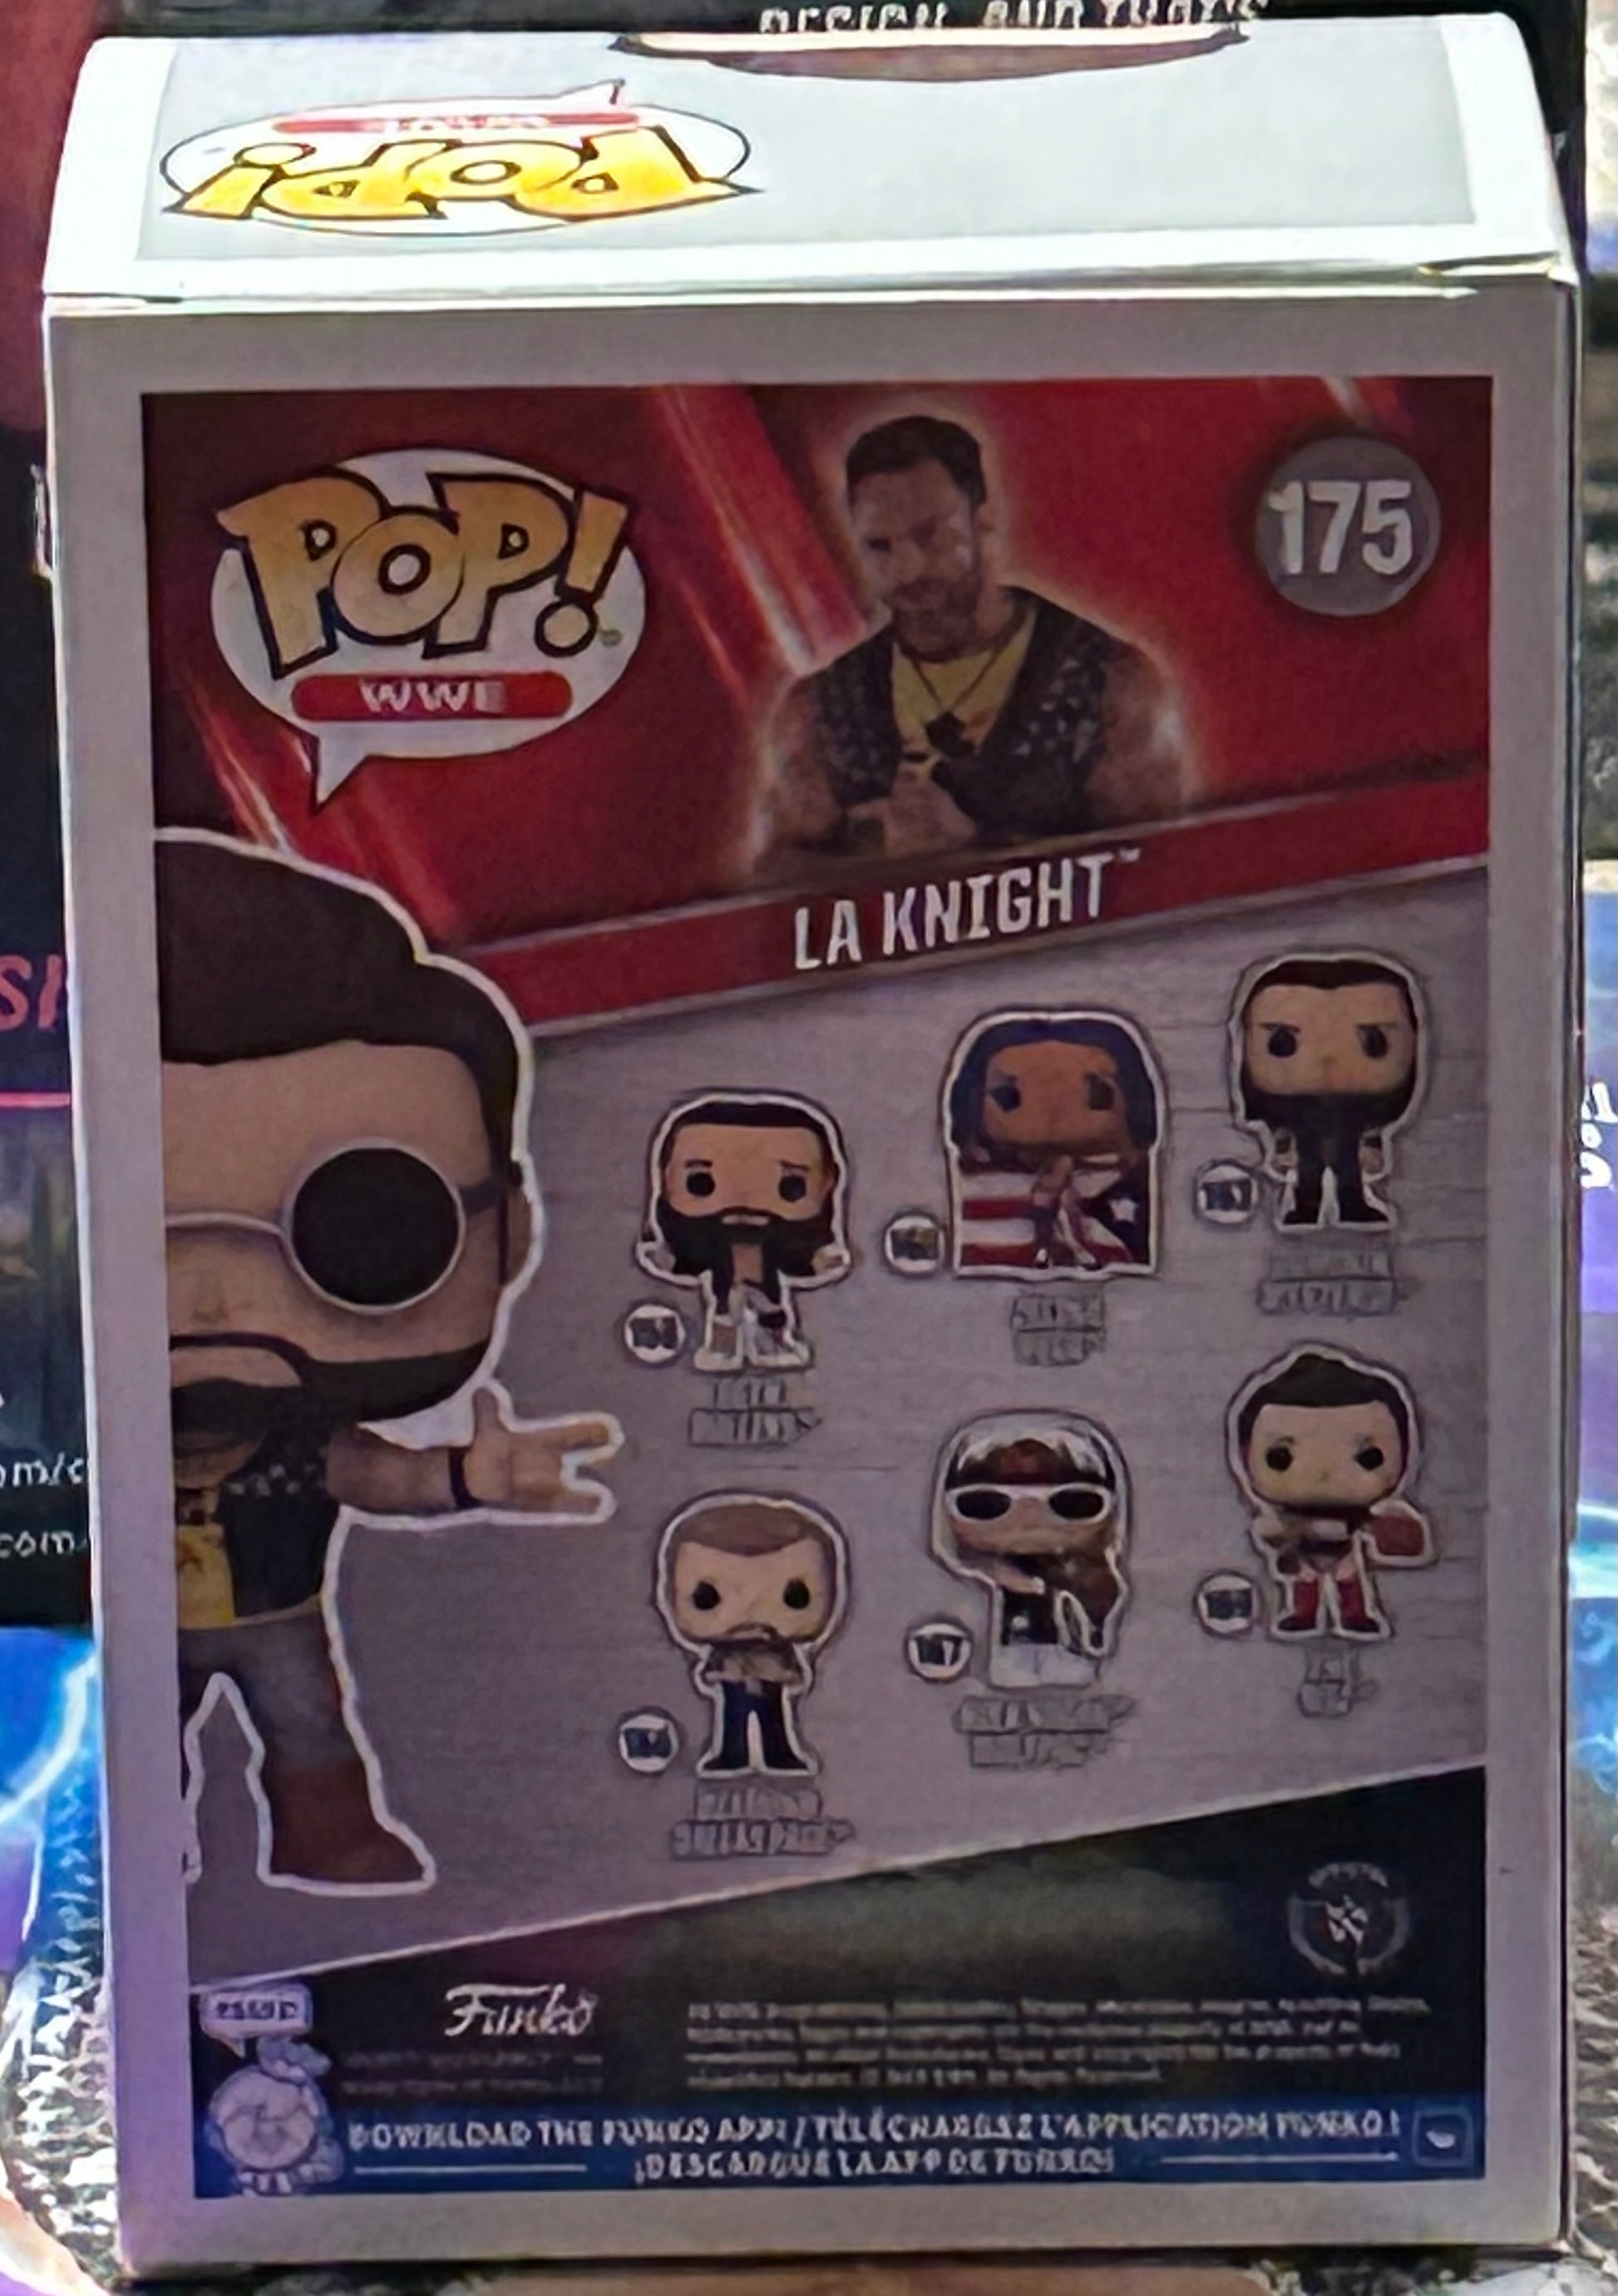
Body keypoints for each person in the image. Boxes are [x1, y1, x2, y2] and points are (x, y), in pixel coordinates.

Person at [160, 834, 619, 1889]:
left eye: (366, 1226)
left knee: (308, 1723)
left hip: (277, 1618)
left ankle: (324, 1835)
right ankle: (132, 1853)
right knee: (127, 1752)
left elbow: (371, 1473)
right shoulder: (73, 1462)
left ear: (505, 1230)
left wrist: (466, 1476)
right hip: (123, 1636)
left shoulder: (297, 1441)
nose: (213, 1302)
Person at [760, 413, 1186, 867]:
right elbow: (777, 881)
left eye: (929, 536)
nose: (907, 569)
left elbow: (1156, 876)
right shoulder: (817, 709)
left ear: (985, 520)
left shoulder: (1111, 685)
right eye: (879, 547)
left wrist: (977, 849)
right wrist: (871, 851)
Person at [1228, 1347, 1433, 1641]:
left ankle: (1355, 1615)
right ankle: (1304, 1614)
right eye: (1280, 1458)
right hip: (1304, 1546)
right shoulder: (1292, 1517)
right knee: (1306, 1580)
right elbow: (1274, 1532)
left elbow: (1390, 1535)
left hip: (1344, 1546)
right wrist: (1277, 1534)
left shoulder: (1359, 1514)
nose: (1323, 1474)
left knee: (1347, 1577)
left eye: (1368, 1457)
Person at [638, 1094, 850, 1370]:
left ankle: (773, 1346)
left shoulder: (782, 1243)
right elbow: (684, 1262)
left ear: (828, 1183)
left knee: (770, 1313)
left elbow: (803, 1262)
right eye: (700, 1182)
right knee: (725, 1316)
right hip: (725, 1290)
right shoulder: (707, 1242)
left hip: (767, 1291)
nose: (745, 1203)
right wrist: (666, 1257)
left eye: (791, 1185)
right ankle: (722, 1349)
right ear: (665, 1180)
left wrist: (820, 1261)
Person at [945, 1011, 1161, 1273]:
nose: (1053, 1111)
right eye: (1009, 1095)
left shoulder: (1126, 1184)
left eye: (1097, 1094)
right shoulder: (980, 1187)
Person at [932, 1413, 1130, 1688]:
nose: (1028, 1519)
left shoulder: (1089, 1582)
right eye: (986, 1503)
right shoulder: (981, 1586)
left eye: (1072, 1502)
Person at [655, 1494, 846, 1775]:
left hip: (769, 1673)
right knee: (734, 1717)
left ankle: (779, 1754)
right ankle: (733, 1754)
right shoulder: (726, 1650)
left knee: (772, 1718)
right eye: (706, 1598)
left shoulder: (778, 1648)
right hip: (734, 1674)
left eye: (796, 1596)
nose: (751, 1618)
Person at [1232, 955, 1423, 1229]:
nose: (1327, 1057)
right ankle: (1308, 1206)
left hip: (1348, 1119)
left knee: (1345, 1164)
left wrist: (1374, 1143)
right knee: (1311, 1165)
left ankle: (1347, 1204)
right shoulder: (1288, 1103)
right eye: (1282, 1041)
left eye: (1374, 1041)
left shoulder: (1366, 1104)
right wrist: (1280, 1143)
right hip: (1305, 1119)